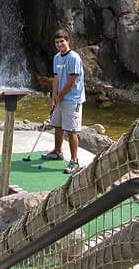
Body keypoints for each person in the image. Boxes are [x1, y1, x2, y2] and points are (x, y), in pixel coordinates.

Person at [42, 29, 86, 175]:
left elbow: (72, 80)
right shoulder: (56, 58)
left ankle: (74, 161)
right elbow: (56, 78)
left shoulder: (74, 57)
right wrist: (54, 97)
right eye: (57, 42)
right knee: (58, 125)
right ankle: (57, 151)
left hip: (72, 99)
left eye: (62, 41)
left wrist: (61, 95)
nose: (59, 44)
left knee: (71, 130)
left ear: (68, 41)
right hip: (60, 97)